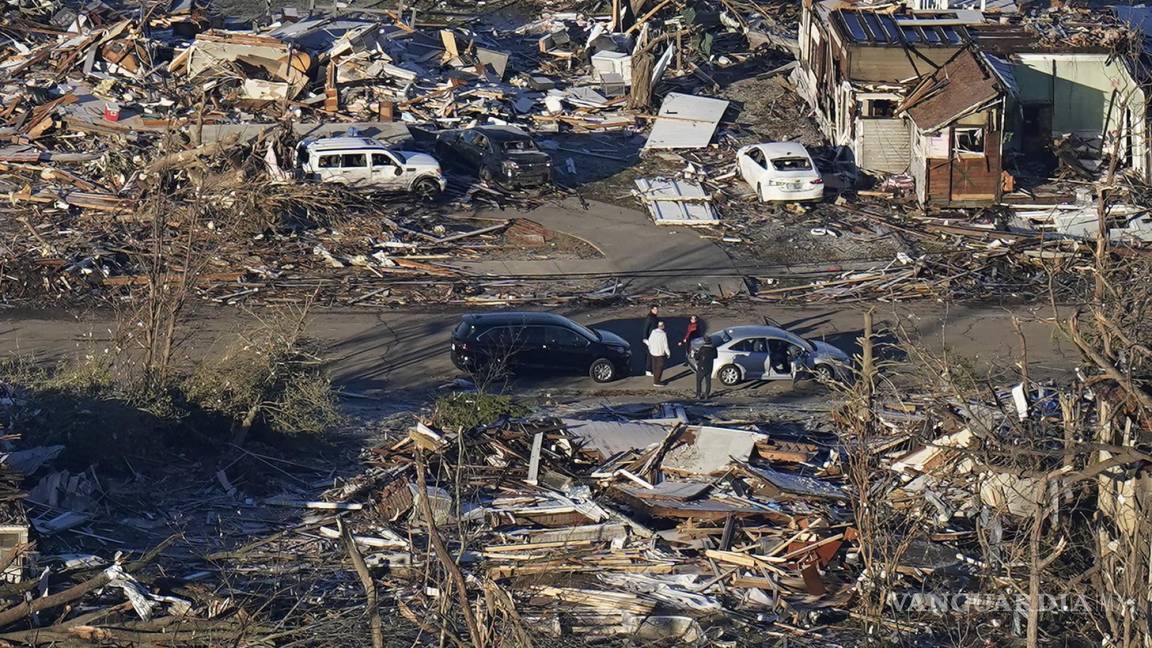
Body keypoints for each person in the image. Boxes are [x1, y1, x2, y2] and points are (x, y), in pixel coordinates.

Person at [647, 321, 671, 386]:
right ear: (663, 326)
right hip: (660, 353)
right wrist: (668, 353)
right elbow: (665, 345)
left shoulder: (653, 332)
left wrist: (650, 348)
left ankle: (655, 380)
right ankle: (657, 382)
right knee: (660, 367)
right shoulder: (663, 334)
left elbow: (650, 341)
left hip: (653, 352)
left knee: (654, 367)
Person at [642, 305, 659, 376]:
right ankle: (648, 370)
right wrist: (645, 339)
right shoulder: (649, 318)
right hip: (650, 339)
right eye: (655, 309)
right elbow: (646, 328)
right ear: (651, 310)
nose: (656, 311)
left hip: (654, 338)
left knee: (653, 354)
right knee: (649, 355)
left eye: (657, 309)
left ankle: (651, 369)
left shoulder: (654, 317)